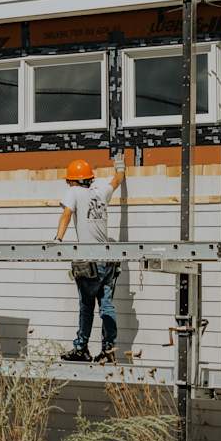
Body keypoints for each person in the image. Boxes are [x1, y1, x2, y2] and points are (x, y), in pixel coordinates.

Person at [54, 155, 126, 364]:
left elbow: (67, 214)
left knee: (86, 306)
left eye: (69, 180)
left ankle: (81, 348)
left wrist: (58, 239)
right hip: (108, 259)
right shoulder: (101, 192)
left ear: (73, 181)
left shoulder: (74, 192)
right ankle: (109, 350)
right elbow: (117, 179)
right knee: (106, 305)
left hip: (90, 262)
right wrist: (120, 164)